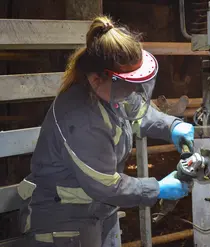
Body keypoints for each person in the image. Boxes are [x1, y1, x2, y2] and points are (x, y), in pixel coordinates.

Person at [17, 15, 194, 247]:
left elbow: (138, 111)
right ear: (96, 78)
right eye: (128, 84)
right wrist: (156, 188)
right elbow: (108, 186)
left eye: (136, 83)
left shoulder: (113, 91)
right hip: (63, 219)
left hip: (99, 208)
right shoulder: (81, 118)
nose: (133, 91)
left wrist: (172, 126)